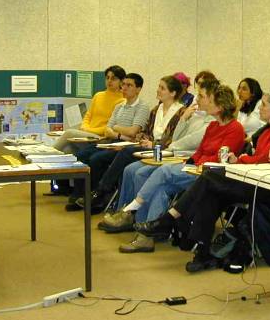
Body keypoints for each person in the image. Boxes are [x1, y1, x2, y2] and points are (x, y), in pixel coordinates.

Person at [135, 88, 270, 271]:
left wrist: (243, 159)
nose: (260, 108)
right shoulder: (266, 132)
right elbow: (256, 160)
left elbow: (264, 160)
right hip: (251, 179)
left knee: (208, 178)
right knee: (210, 193)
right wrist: (240, 159)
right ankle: (202, 251)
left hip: (266, 187)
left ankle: (170, 219)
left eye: (264, 105)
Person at [100, 82, 245, 253]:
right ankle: (145, 236)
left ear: (220, 107)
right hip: (195, 168)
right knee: (160, 189)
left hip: (209, 175)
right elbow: (200, 151)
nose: (200, 100)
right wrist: (191, 162)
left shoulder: (235, 128)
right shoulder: (213, 126)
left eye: (208, 99)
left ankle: (131, 209)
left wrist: (196, 162)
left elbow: (221, 158)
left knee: (163, 170)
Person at [70, 75, 184, 212]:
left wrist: (151, 143)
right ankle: (90, 195)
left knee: (121, 153)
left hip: (161, 150)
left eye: (162, 88)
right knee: (84, 153)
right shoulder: (156, 110)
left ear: (173, 93)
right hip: (145, 146)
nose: (158, 90)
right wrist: (143, 138)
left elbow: (173, 138)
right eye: (159, 87)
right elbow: (145, 131)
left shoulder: (181, 112)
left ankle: (101, 192)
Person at [64, 73, 149, 211]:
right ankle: (80, 194)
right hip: (112, 140)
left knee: (97, 159)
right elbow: (108, 129)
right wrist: (119, 133)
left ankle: (97, 199)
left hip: (127, 145)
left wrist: (116, 129)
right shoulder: (119, 106)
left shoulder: (142, 107)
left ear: (138, 89)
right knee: (81, 156)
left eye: (129, 85)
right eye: (124, 84)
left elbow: (133, 131)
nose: (124, 88)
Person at [53, 65, 126, 153]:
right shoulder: (98, 96)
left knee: (69, 133)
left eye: (113, 78)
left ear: (121, 81)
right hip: (88, 135)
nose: (109, 81)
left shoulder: (122, 101)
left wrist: (89, 130)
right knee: (68, 149)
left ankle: (44, 154)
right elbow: (88, 116)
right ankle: (47, 159)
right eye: (107, 78)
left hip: (102, 138)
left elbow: (111, 127)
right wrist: (84, 127)